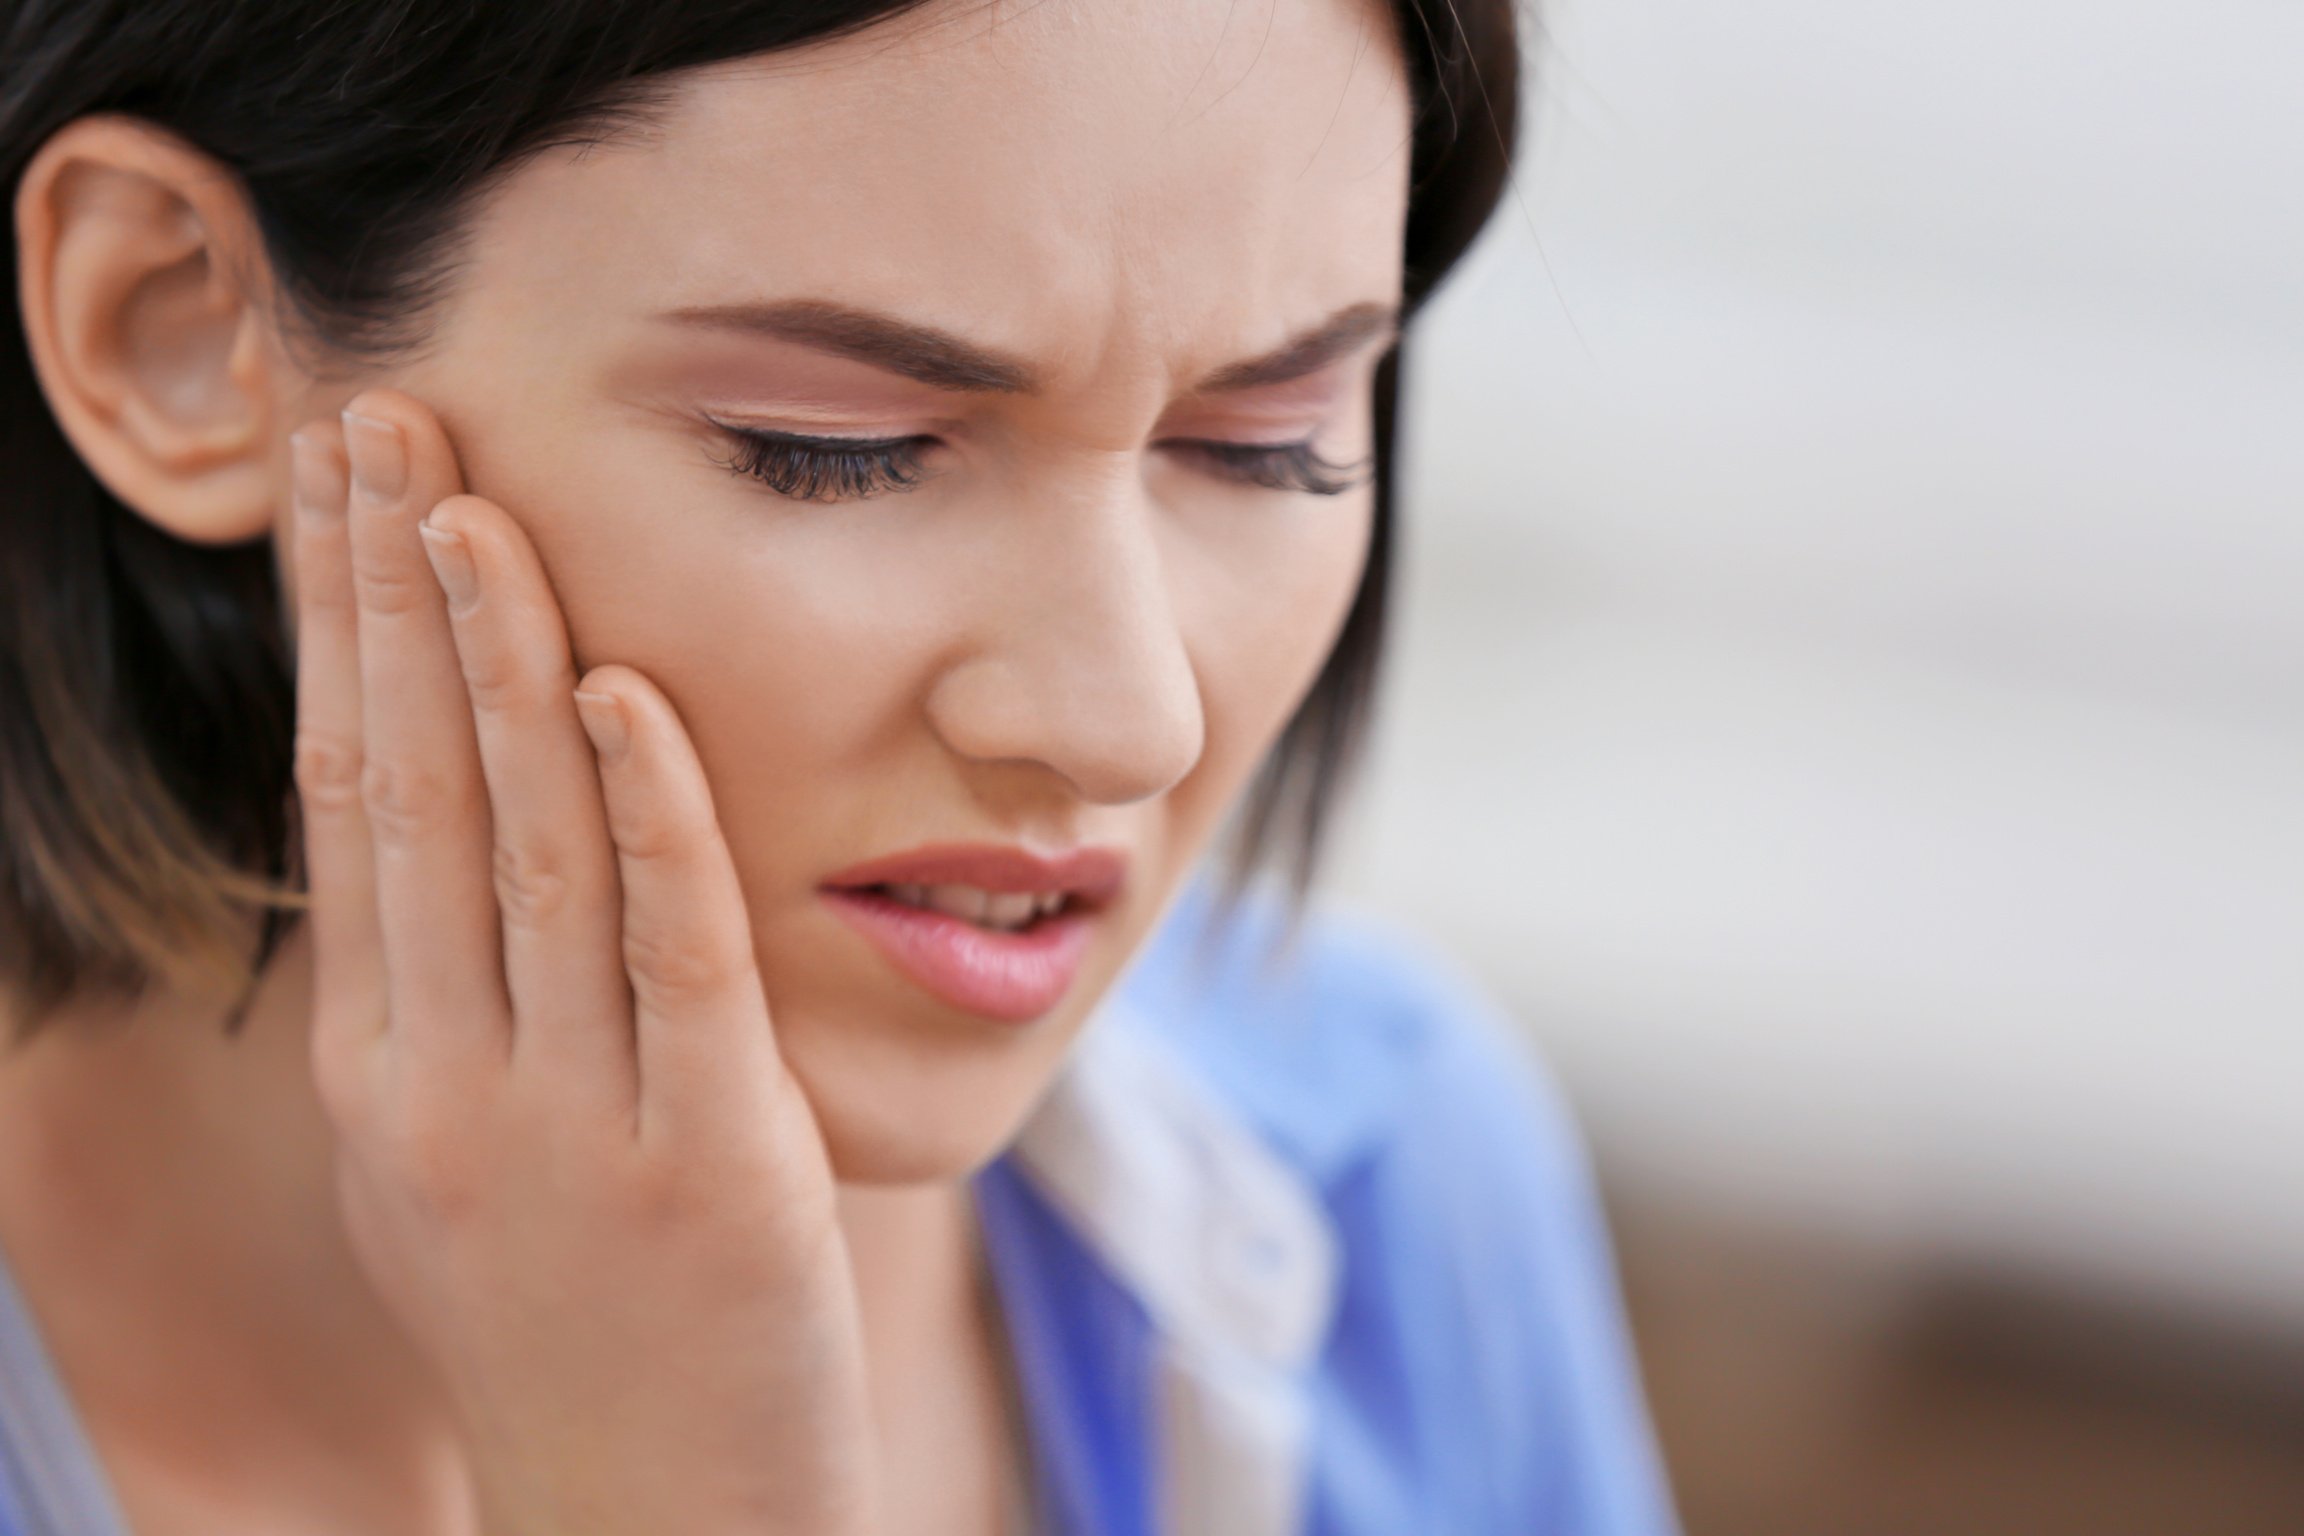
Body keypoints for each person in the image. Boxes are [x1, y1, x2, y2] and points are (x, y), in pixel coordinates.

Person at [0, 0, 1680, 1531]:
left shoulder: (1395, 1189)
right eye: (839, 452)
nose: (1127, 718)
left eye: (1267, 448)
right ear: (174, 324)